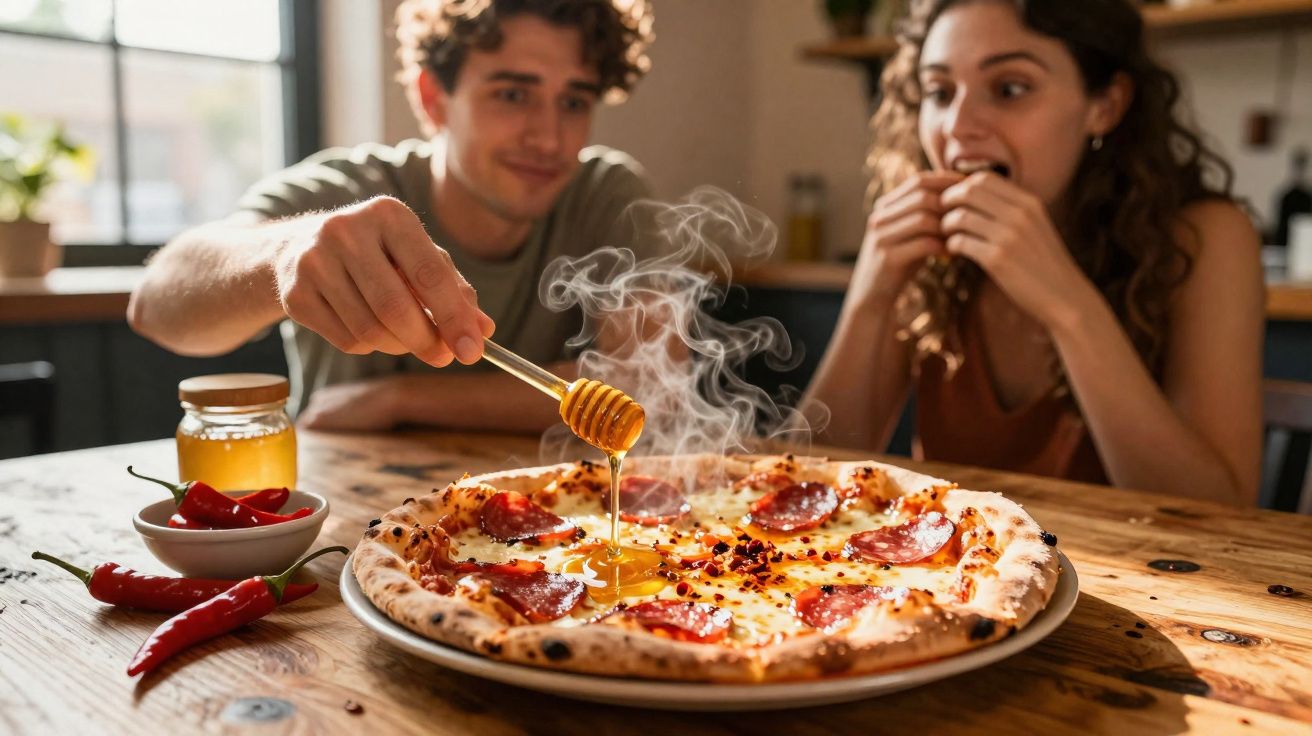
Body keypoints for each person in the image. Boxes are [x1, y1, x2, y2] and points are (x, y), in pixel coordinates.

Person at [803, 0, 1262, 505]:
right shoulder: (928, 256)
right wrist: (871, 297)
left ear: (1105, 106)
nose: (957, 126)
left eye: (1009, 89)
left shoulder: (1206, 237)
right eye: (939, 92)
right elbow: (806, 484)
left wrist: (1068, 306)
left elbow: (1220, 509)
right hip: (954, 554)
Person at [128, 0, 656, 433]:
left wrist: (399, 398)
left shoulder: (608, 195)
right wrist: (283, 255)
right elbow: (155, 306)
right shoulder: (345, 193)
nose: (549, 138)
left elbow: (647, 387)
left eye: (573, 102)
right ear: (434, 99)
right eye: (513, 94)